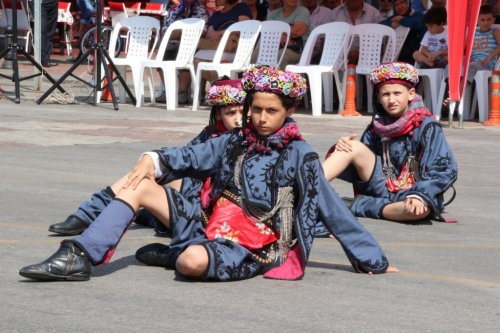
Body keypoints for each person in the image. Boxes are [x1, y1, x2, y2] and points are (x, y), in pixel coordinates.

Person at [19, 65, 395, 282]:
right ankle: (78, 255)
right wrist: (152, 159)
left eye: (272, 111)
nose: (261, 119)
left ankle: (179, 253)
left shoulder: (301, 156)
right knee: (140, 185)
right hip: (206, 222)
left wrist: (372, 259)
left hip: (252, 245)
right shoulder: (232, 140)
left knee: (189, 263)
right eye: (256, 109)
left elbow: (334, 211)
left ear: (290, 110)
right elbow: (188, 155)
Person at [47, 77, 246, 237]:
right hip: (193, 188)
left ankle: (143, 213)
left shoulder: (248, 138)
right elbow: (187, 155)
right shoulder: (210, 133)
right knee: (145, 172)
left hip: (215, 203)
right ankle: (90, 213)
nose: (238, 118)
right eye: (231, 112)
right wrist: (153, 160)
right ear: (219, 115)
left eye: (242, 112)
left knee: (159, 175)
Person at [322, 62, 458, 222]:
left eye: (397, 93)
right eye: (386, 94)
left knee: (417, 212)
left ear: (411, 94)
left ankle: (354, 206)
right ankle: (306, 190)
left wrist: (420, 195)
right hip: (381, 185)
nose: (391, 100)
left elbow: (443, 169)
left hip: (413, 191)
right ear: (379, 97)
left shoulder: (428, 126)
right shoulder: (377, 125)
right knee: (351, 146)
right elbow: (364, 162)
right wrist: (342, 147)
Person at [177, 0, 252, 104]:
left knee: (209, 60)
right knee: (196, 59)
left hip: (234, 49)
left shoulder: (241, 7)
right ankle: (213, 90)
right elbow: (209, 30)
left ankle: (218, 90)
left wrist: (222, 33)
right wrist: (212, 33)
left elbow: (245, 27)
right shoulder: (217, 14)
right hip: (214, 46)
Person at [154, 0, 210, 103]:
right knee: (164, 49)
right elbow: (165, 31)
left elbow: (202, 31)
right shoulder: (175, 10)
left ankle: (182, 93)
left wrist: (178, 32)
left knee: (186, 51)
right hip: (173, 42)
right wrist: (182, 32)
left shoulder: (201, 10)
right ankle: (169, 91)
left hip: (192, 43)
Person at [255, 0, 311, 69]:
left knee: (280, 56)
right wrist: (281, 35)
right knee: (254, 55)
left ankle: (282, 79)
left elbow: (297, 31)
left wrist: (278, 32)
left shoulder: (302, 11)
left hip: (297, 50)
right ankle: (253, 78)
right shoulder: (273, 14)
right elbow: (267, 33)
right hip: (274, 48)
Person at [379, 0, 426, 65]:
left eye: (402, 3)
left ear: (408, 3)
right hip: (399, 56)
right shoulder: (395, 17)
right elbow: (380, 24)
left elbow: (415, 24)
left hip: (416, 56)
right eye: (396, 5)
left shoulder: (418, 14)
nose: (399, 6)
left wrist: (401, 20)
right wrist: (391, 24)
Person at [466, 5, 500, 83]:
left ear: (493, 20)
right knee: (453, 67)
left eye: (489, 19)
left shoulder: (494, 32)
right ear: (477, 20)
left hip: (486, 64)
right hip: (473, 63)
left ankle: (460, 90)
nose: (486, 22)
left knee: (471, 67)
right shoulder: (473, 34)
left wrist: (489, 57)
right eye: (482, 20)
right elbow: (470, 50)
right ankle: (451, 89)